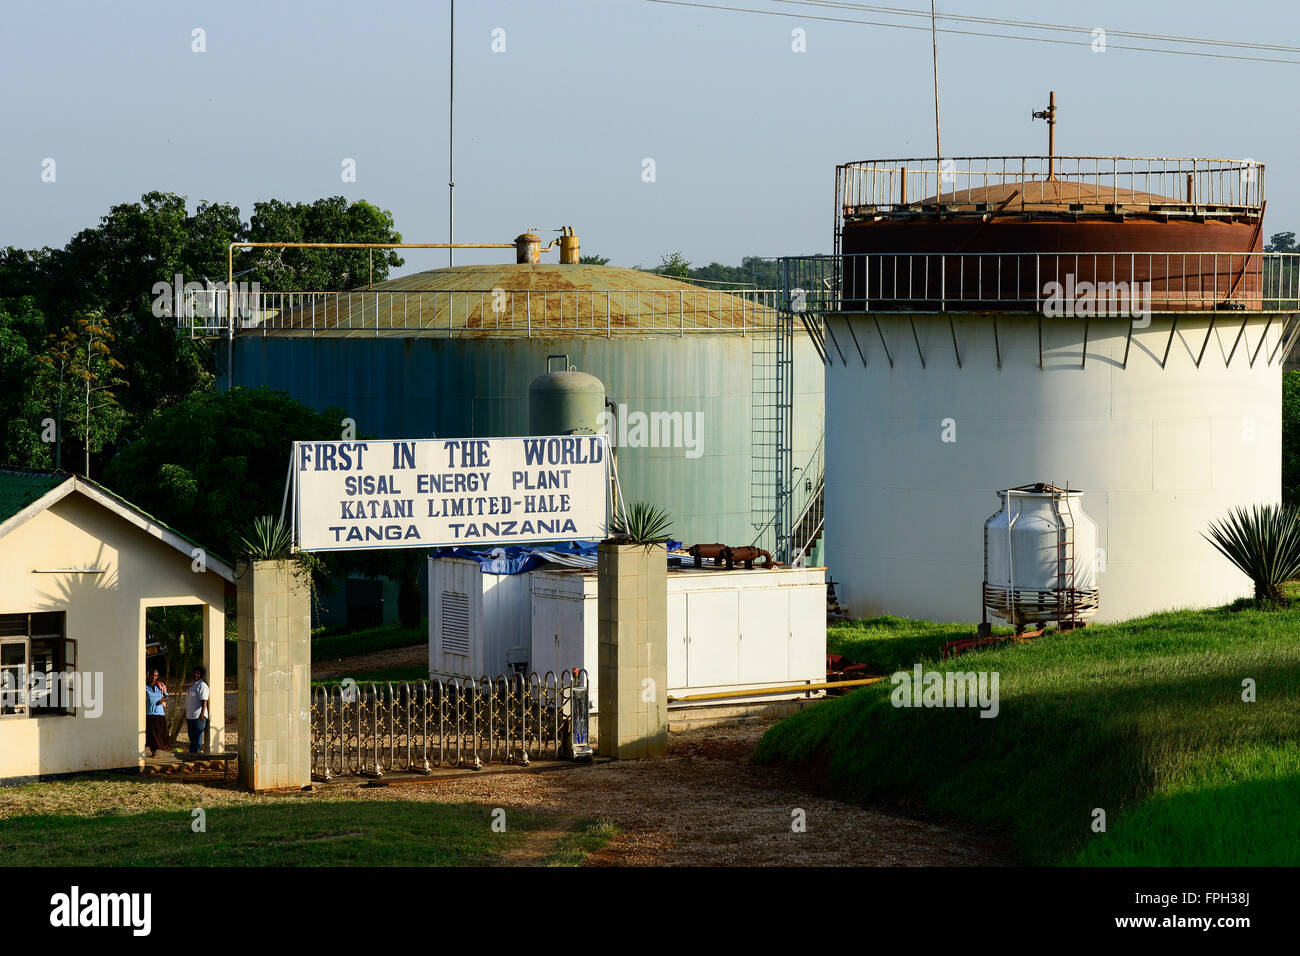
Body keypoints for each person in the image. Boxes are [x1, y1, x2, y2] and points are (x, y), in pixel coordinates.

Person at [145, 669, 170, 757]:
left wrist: (162, 700)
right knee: (152, 734)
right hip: (150, 713)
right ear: (149, 675)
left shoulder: (160, 686)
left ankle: (160, 749)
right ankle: (153, 751)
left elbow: (167, 696)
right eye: (152, 675)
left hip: (159, 713)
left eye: (155, 675)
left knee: (162, 733)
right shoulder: (144, 687)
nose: (153, 677)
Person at [185, 666, 210, 755]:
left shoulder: (202, 685)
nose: (196, 674)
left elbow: (204, 700)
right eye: (195, 673)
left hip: (198, 716)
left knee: (197, 737)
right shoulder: (193, 685)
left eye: (198, 673)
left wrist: (202, 714)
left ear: (201, 675)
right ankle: (191, 755)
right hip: (190, 716)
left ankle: (196, 756)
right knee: (191, 737)